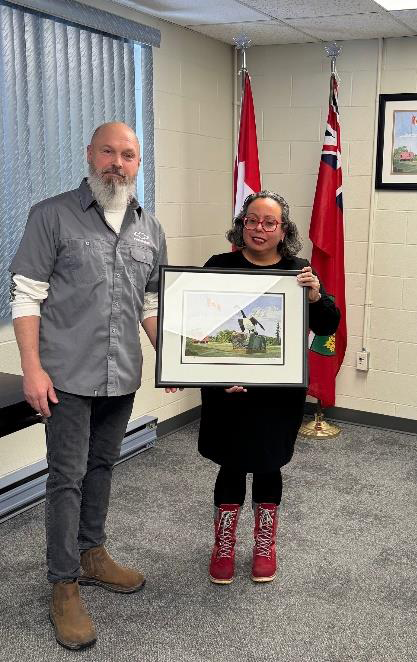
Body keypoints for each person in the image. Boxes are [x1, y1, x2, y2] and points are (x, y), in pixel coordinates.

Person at [10, 122, 169, 650]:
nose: (116, 163)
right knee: (66, 477)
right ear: (90, 154)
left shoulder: (151, 229)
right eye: (108, 152)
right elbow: (27, 295)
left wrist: (173, 359)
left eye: (128, 155)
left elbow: (149, 304)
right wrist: (32, 369)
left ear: (137, 163)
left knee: (102, 466)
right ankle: (64, 583)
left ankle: (92, 552)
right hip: (65, 378)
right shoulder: (51, 215)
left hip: (121, 375)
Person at [199, 191, 340, 585]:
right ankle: (223, 546)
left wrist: (314, 295)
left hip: (276, 396)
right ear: (241, 225)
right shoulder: (217, 266)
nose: (259, 229)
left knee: (268, 463)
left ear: (283, 231)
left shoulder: (299, 271)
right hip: (227, 390)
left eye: (269, 222)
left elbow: (328, 325)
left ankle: (265, 544)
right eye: (251, 221)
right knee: (230, 463)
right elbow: (194, 322)